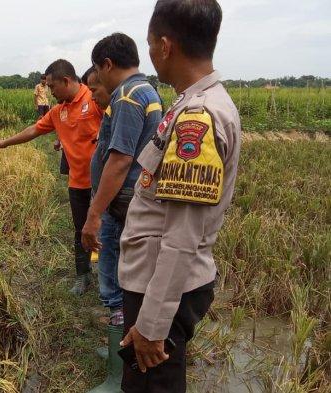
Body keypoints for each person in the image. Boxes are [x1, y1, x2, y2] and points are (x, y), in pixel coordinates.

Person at [117, 1, 241, 392]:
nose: (150, 53)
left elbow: (182, 235)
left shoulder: (198, 117)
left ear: (166, 46)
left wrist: (152, 326)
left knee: (153, 386)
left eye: (151, 44)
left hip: (162, 286)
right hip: (161, 282)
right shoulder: (192, 101)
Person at [81, 33, 163, 393]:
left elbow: (120, 159)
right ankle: (119, 354)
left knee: (118, 284)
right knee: (123, 282)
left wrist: (94, 214)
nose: (97, 79)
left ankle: (119, 375)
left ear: (107, 65)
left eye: (98, 70)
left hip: (122, 203)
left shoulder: (128, 96)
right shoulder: (146, 91)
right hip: (131, 201)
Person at [0, 59, 103, 295]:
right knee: (80, 229)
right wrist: (4, 143)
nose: (50, 92)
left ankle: (113, 277)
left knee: (109, 229)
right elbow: (33, 130)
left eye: (52, 87)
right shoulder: (58, 111)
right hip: (78, 181)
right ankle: (83, 275)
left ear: (66, 80)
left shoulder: (94, 99)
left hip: (104, 183)